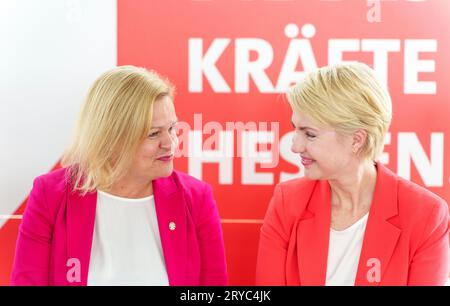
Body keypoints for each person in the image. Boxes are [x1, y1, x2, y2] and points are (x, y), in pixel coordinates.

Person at [11, 65, 228, 286]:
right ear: (111, 138)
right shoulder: (51, 194)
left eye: (172, 128)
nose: (170, 143)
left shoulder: (196, 198)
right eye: (153, 134)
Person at [256, 62, 450, 286]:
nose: (295, 146)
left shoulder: (426, 215)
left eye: (309, 135)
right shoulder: (287, 202)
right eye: (295, 129)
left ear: (357, 140)